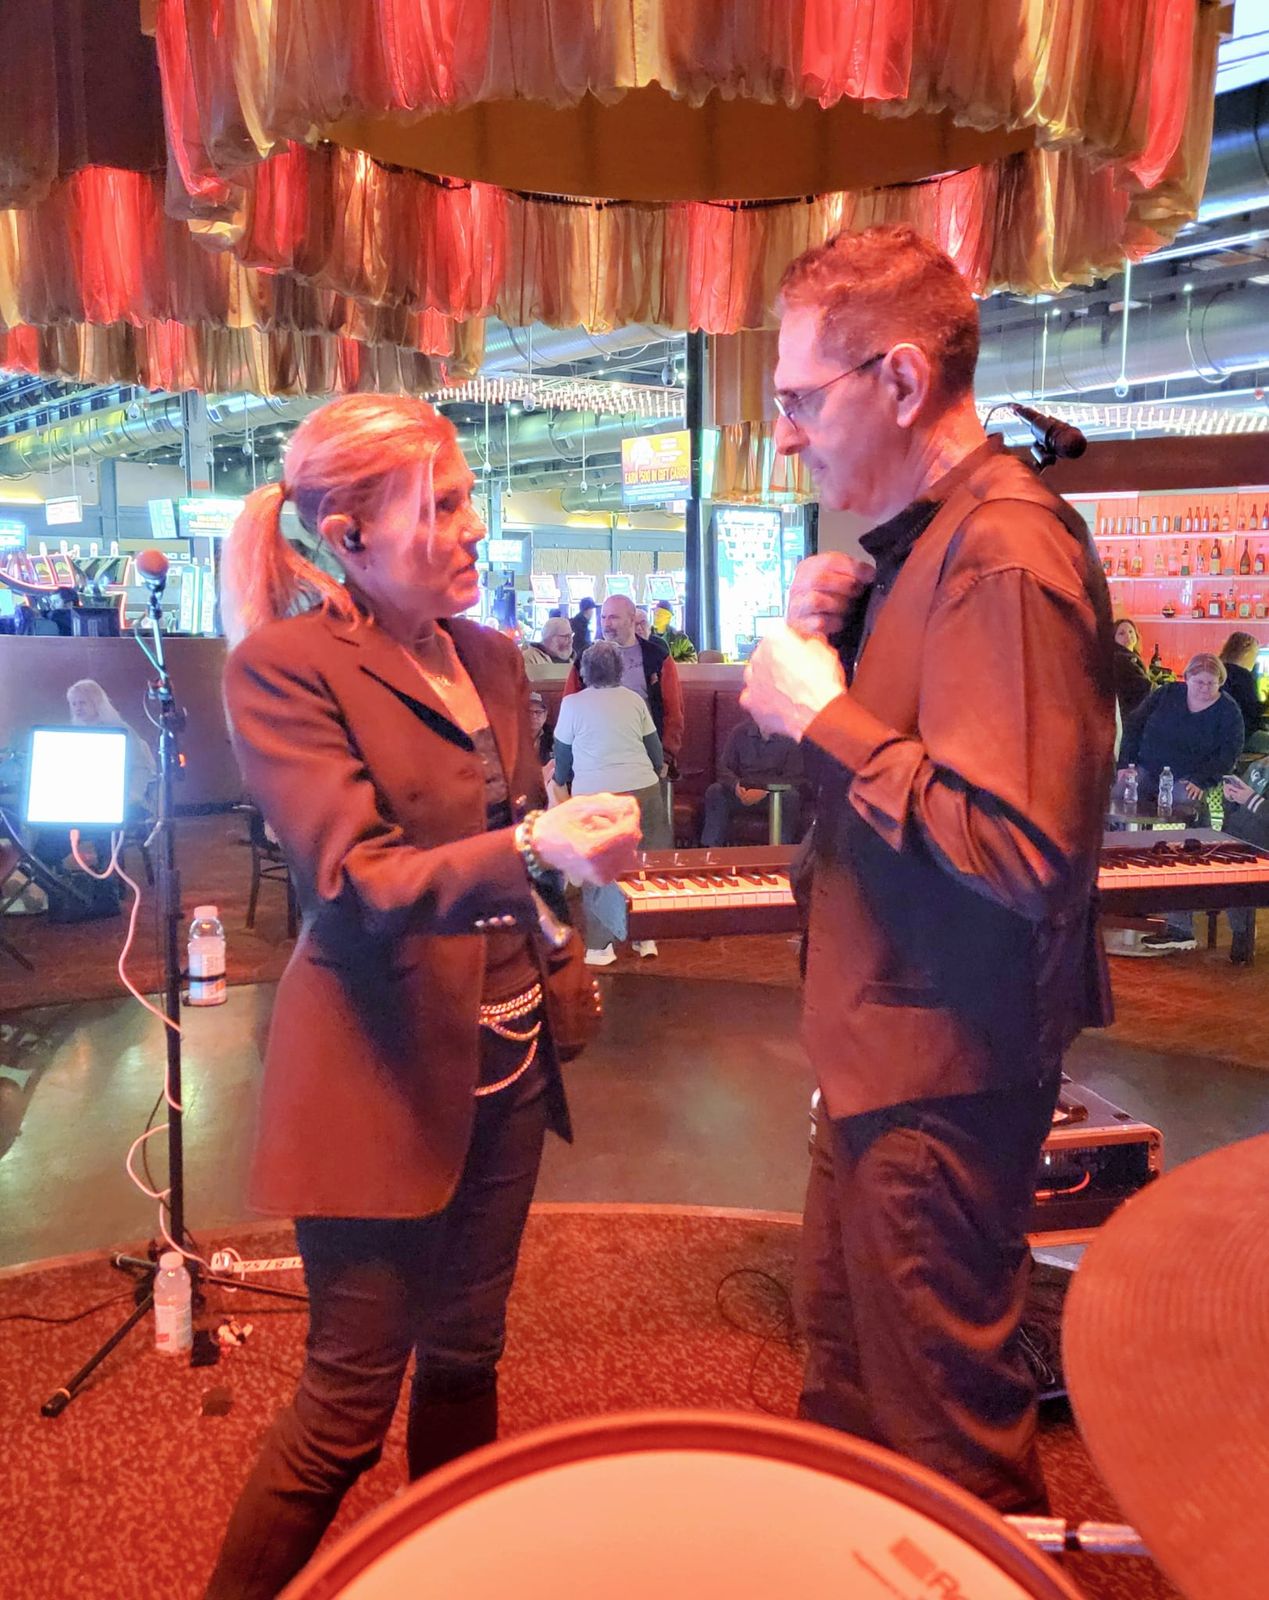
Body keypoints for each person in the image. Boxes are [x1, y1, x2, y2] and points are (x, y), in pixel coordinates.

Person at [205, 394, 641, 1600]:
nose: (473, 527)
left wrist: (561, 894)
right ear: (349, 537)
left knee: (465, 1355)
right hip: (377, 1071)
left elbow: (512, 834)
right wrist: (539, 846)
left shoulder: (490, 657)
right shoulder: (283, 669)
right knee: (346, 1406)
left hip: (508, 1062)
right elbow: (355, 881)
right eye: (440, 506)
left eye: (466, 498)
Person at [740, 223, 1115, 1516]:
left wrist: (827, 716)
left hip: (941, 1080)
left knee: (950, 1452)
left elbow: (1024, 850)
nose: (786, 433)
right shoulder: (925, 546)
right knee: (852, 1404)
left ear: (899, 381)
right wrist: (827, 671)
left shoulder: (1003, 552)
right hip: (883, 1059)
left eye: (801, 399)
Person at [1118, 652, 1245, 955]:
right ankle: (1121, 891)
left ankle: (1179, 922)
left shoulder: (1228, 712)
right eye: (1199, 682)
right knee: (1118, 799)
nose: (1204, 689)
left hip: (1190, 778)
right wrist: (1125, 764)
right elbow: (1134, 726)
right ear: (1186, 679)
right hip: (1148, 768)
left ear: (1220, 683)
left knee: (1180, 818)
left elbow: (1229, 754)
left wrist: (1202, 780)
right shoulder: (1166, 695)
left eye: (1211, 684)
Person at [553, 639, 669, 965]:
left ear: (584, 671)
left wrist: (560, 781)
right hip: (642, 790)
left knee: (599, 867)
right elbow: (655, 752)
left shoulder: (572, 704)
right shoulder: (634, 700)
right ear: (620, 670)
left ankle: (600, 947)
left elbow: (562, 757)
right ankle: (646, 938)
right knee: (645, 863)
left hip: (595, 795)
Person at [562, 593, 685, 776]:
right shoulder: (585, 658)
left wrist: (666, 755)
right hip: (594, 757)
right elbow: (569, 704)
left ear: (632, 619)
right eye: (603, 617)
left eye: (614, 617)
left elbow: (673, 710)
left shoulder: (658, 657)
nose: (606, 624)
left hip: (645, 755)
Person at [700, 712, 805, 846]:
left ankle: (780, 851)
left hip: (773, 796)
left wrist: (765, 791)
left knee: (790, 797)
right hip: (743, 794)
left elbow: (795, 778)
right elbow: (724, 768)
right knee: (715, 791)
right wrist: (736, 786)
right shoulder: (739, 732)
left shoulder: (791, 736)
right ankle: (711, 850)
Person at [1220, 760, 1269, 965]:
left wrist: (1251, 800)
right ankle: (1179, 931)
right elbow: (1231, 812)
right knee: (1185, 859)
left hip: (1261, 849)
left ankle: (1242, 933)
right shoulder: (1258, 767)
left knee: (1238, 876)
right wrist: (1230, 797)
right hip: (1236, 841)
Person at [1218, 631, 1267, 749]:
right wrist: (1266, 705)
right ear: (1246, 653)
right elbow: (1252, 713)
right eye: (1255, 654)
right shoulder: (1242, 675)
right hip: (1239, 736)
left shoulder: (1217, 669)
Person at [1112, 618, 1152, 719]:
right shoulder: (1121, 659)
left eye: (1130, 631)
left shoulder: (1130, 656)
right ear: (1113, 638)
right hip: (1132, 714)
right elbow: (1144, 686)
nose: (1128, 636)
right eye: (1121, 633)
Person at [569, 595, 596, 660]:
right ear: (587, 610)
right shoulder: (581, 625)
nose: (592, 612)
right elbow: (583, 644)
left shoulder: (579, 622)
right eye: (592, 609)